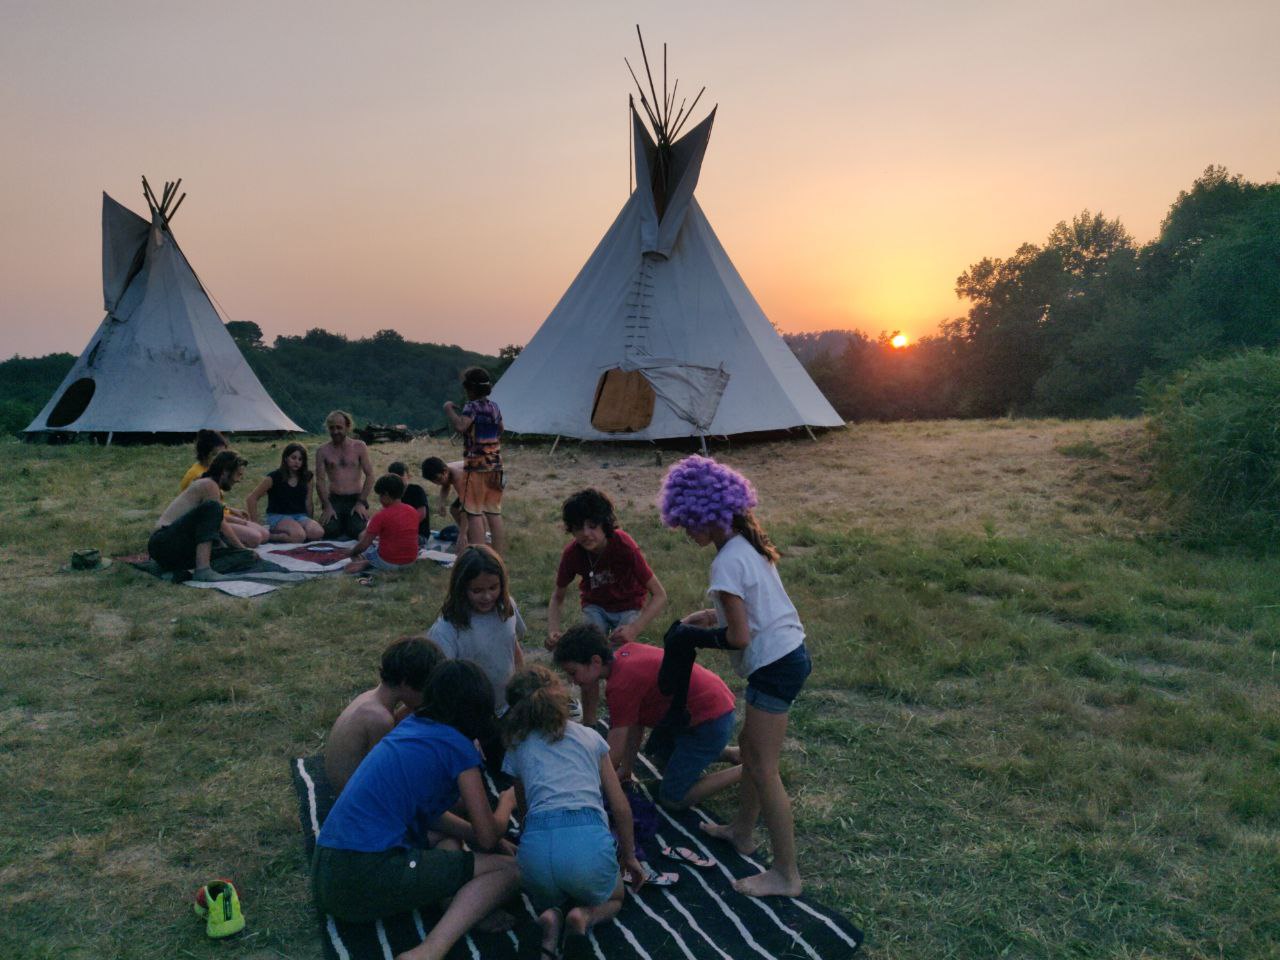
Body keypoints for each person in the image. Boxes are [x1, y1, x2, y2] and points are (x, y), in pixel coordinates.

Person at [657, 455, 811, 898]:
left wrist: (691, 637)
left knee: (762, 767)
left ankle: (786, 874)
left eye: (689, 522)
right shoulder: (746, 544)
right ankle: (742, 831)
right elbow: (751, 607)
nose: (686, 531)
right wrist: (711, 616)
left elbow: (740, 637)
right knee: (749, 748)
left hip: (775, 665)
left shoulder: (725, 562)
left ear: (708, 513)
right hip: (787, 655)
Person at [312, 660, 520, 960]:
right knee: (511, 870)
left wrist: (476, 836)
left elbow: (429, 814)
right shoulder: (458, 747)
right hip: (364, 876)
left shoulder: (410, 727)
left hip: (328, 871)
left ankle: (455, 900)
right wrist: (507, 803)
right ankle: (431, 949)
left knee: (445, 839)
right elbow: (488, 836)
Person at [501, 665, 645, 956]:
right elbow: (620, 806)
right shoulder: (590, 737)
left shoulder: (517, 747)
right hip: (586, 843)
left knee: (552, 891)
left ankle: (551, 916)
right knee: (615, 897)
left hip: (537, 852)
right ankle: (583, 917)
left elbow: (524, 809)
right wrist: (629, 856)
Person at [553, 624, 742, 810]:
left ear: (595, 661)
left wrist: (584, 784)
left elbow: (613, 754)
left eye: (573, 673)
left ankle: (747, 770)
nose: (572, 681)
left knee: (672, 797)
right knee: (661, 757)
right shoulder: (625, 653)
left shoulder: (620, 686)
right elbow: (634, 723)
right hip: (709, 708)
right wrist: (626, 769)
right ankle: (733, 754)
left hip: (710, 720)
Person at [546, 489, 667, 725]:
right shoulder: (572, 554)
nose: (586, 533)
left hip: (628, 606)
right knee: (586, 659)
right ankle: (590, 724)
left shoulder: (624, 546)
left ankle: (623, 719)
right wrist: (553, 630)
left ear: (605, 524)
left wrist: (634, 628)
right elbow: (557, 597)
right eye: (578, 528)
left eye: (593, 526)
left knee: (620, 664)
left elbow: (660, 595)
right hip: (595, 606)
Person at [325, 636, 445, 793]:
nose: (426, 697)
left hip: (347, 783)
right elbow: (386, 771)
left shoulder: (370, 698)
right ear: (405, 683)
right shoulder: (380, 719)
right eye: (425, 690)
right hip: (356, 794)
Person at [427, 545, 525, 720]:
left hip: (507, 706)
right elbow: (439, 682)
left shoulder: (506, 608)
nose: (487, 596)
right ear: (461, 588)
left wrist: (522, 683)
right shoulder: (447, 629)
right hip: (469, 714)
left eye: (493, 588)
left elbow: (512, 644)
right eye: (477, 590)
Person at [149, 450, 249, 581]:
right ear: (225, 472)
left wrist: (241, 552)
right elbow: (221, 524)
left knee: (245, 557)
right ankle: (203, 569)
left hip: (175, 546)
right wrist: (241, 548)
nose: (238, 480)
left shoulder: (209, 485)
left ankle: (181, 572)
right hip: (164, 542)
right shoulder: (209, 485)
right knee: (213, 507)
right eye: (238, 475)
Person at [443, 367, 506, 556]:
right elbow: (501, 429)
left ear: (469, 388)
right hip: (496, 465)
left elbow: (461, 426)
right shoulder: (494, 406)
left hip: (476, 466)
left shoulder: (472, 407)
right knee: (493, 512)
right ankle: (498, 556)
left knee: (474, 512)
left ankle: (480, 556)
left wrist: (448, 410)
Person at [179, 429, 269, 547]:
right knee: (255, 538)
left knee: (265, 534)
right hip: (211, 522)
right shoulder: (199, 477)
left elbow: (215, 503)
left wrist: (231, 510)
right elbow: (207, 514)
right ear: (205, 454)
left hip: (223, 516)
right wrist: (239, 522)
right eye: (216, 454)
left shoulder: (214, 471)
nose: (221, 458)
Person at [334, 474, 420, 575]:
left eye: (380, 495)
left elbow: (364, 544)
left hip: (388, 562)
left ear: (386, 495)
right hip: (410, 561)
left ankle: (367, 563)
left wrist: (352, 552)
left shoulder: (381, 516)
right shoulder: (413, 511)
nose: (379, 499)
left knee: (367, 552)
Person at [244, 443, 324, 543]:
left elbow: (308, 501)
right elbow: (251, 498)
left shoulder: (307, 477)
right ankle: (270, 535)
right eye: (293, 458)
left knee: (317, 532)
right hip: (278, 516)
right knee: (299, 536)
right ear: (286, 458)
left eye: (300, 459)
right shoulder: (274, 477)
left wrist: (309, 521)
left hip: (300, 516)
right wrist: (255, 524)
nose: (297, 462)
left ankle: (295, 533)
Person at [316, 410, 374, 540]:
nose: (335, 431)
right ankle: (341, 524)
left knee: (357, 530)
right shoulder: (322, 451)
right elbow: (320, 481)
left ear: (347, 427)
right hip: (334, 500)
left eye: (339, 427)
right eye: (332, 428)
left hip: (355, 498)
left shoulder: (359, 446)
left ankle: (350, 523)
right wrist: (327, 506)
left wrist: (361, 502)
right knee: (328, 531)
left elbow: (370, 475)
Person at [421, 456, 484, 551]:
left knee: (474, 516)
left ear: (445, 471)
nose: (438, 483)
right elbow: (445, 484)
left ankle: (479, 542)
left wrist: (462, 534)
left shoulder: (458, 477)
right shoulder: (445, 471)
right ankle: (468, 535)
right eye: (434, 482)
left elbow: (466, 507)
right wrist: (441, 503)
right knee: (454, 509)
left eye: (439, 479)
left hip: (487, 480)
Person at [387, 461, 431, 545]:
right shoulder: (391, 494)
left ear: (408, 476)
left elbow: (421, 515)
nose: (398, 480)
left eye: (401, 476)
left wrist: (402, 529)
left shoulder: (416, 490)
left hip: (418, 534)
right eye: (395, 477)